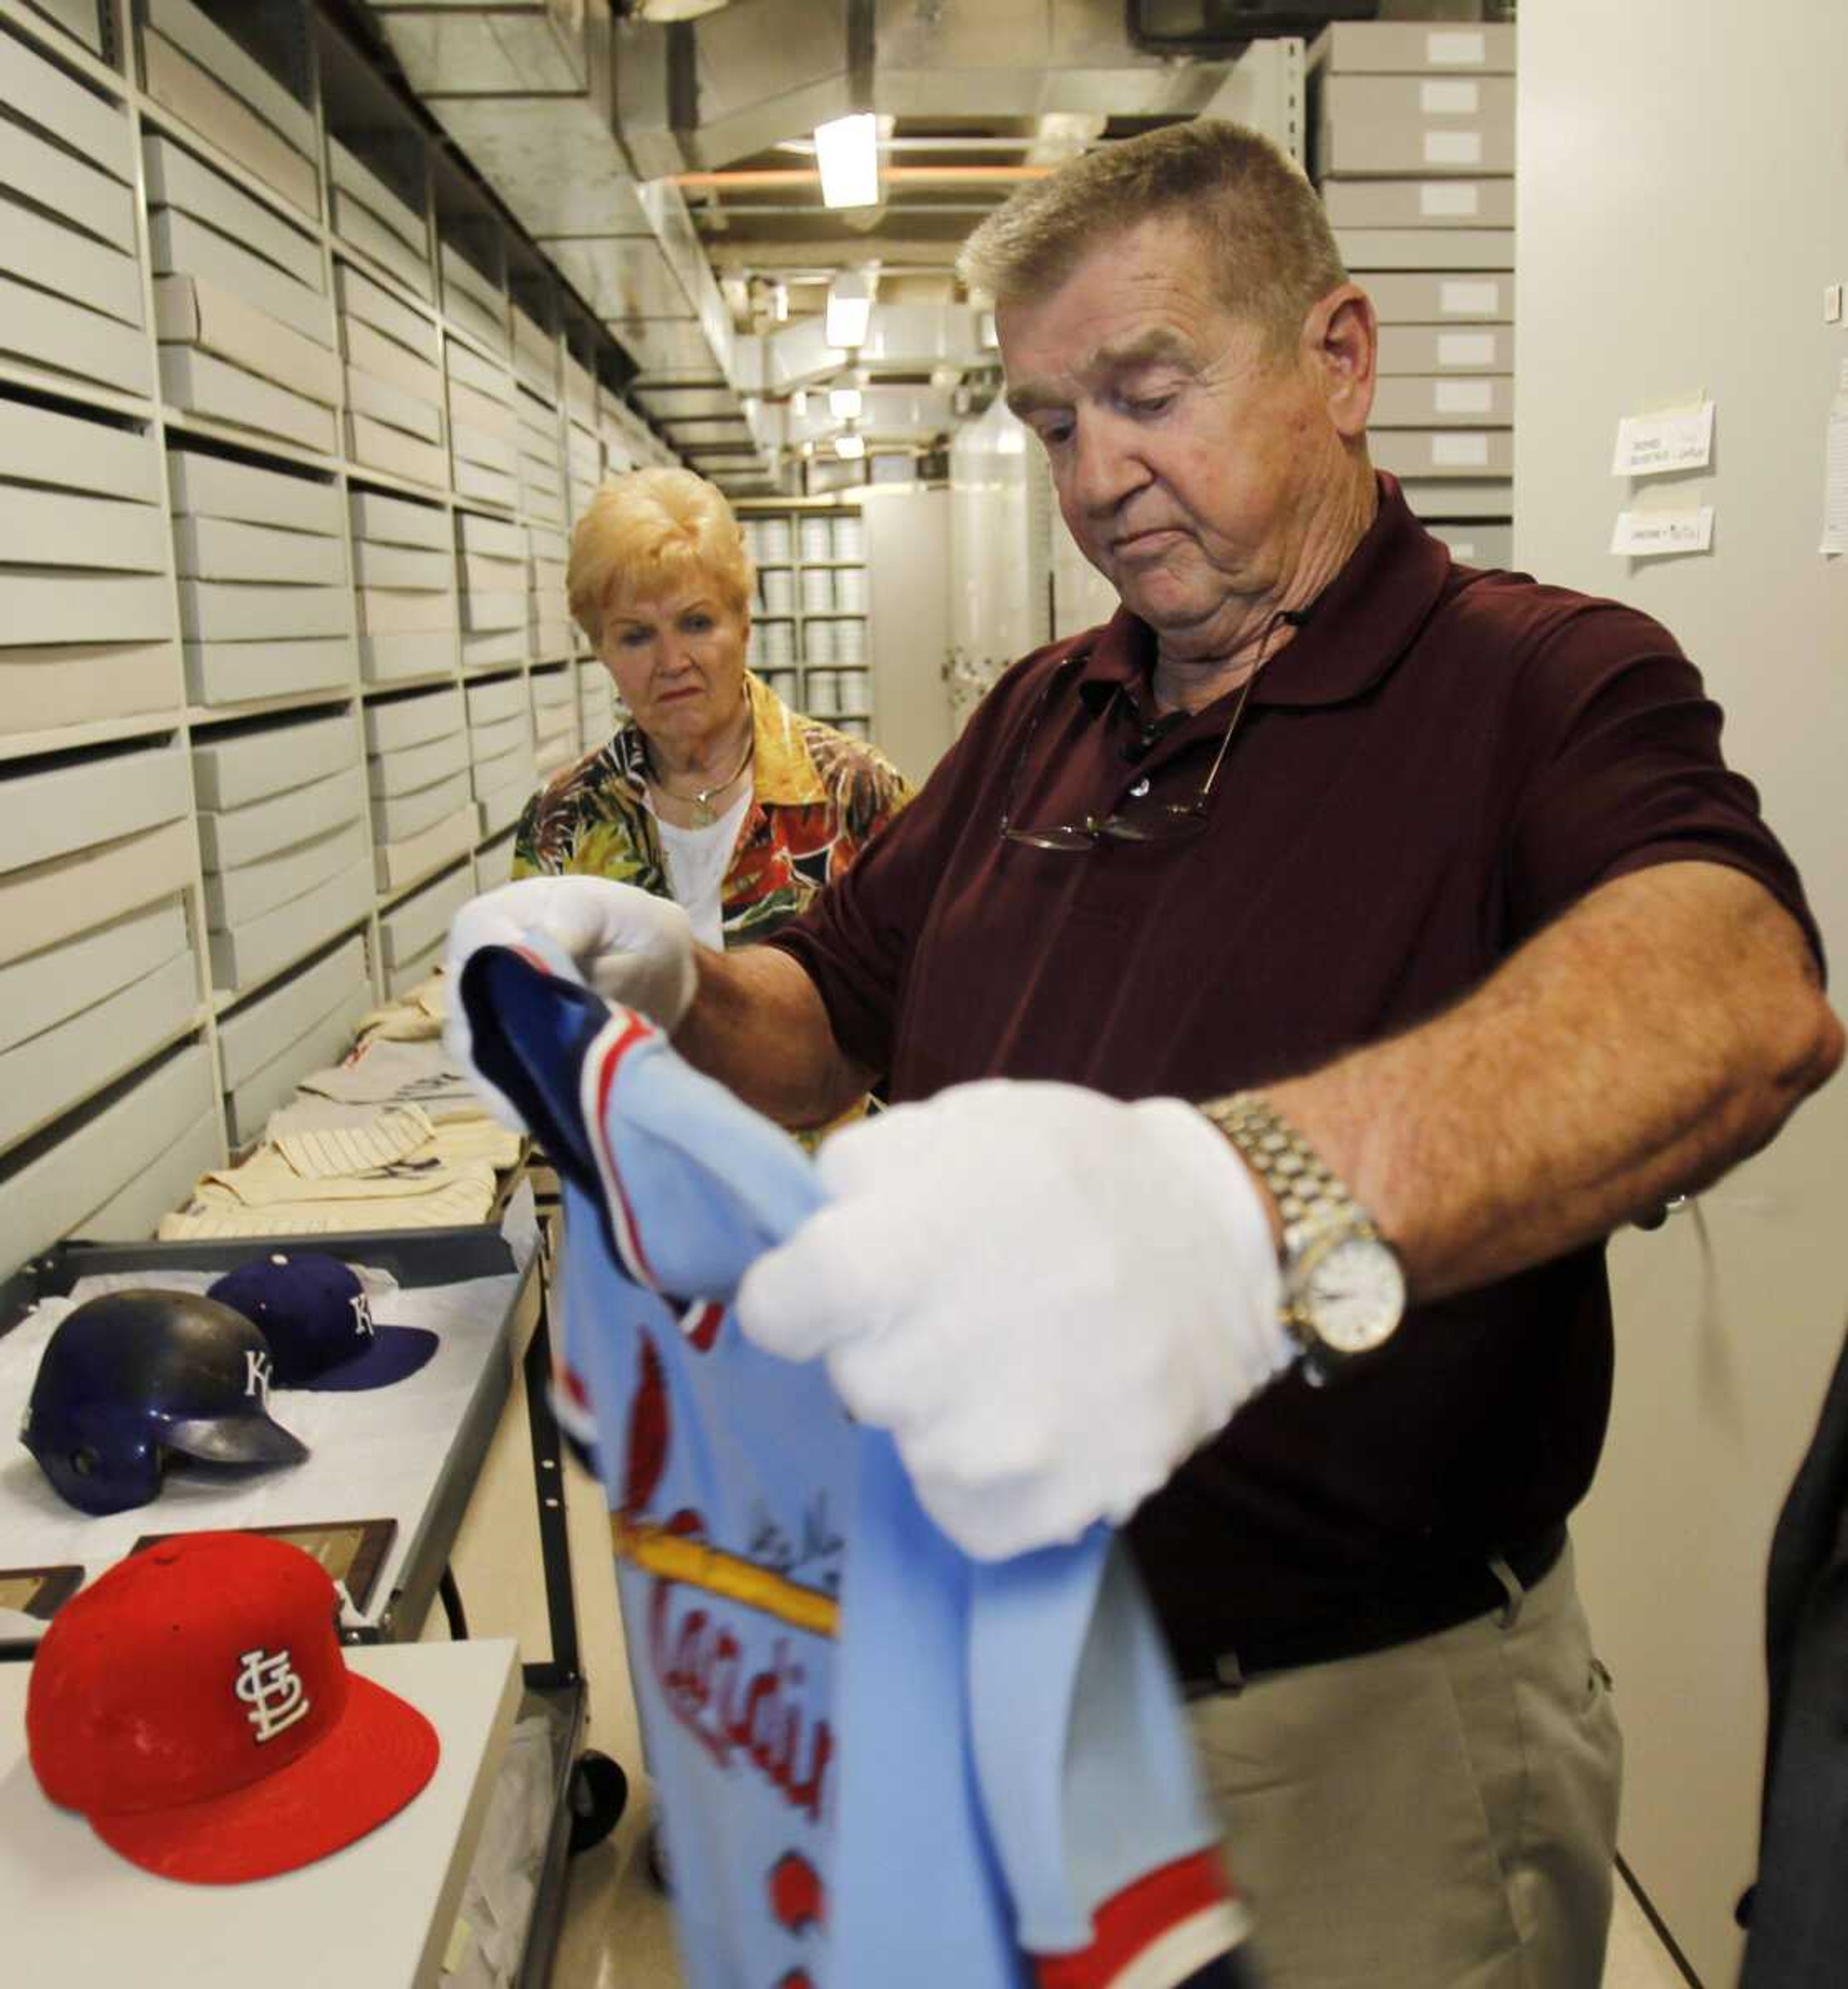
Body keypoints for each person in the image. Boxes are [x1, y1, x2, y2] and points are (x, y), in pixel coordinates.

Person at [448, 123, 1844, 1987]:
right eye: (1048, 423)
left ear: (1337, 360)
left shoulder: (1534, 682)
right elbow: (827, 1019)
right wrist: (682, 986)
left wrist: (1229, 1203)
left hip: (1349, 1740)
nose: (1098, 478)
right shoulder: (1048, 709)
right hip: (985, 1672)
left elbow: (1736, 994)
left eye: (1149, 392)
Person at [507, 465, 909, 975]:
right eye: (636, 636)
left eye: (696, 623)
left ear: (744, 622)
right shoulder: (560, 822)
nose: (672, 661)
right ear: (600, 649)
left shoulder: (859, 793)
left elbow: (932, 990)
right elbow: (535, 1013)